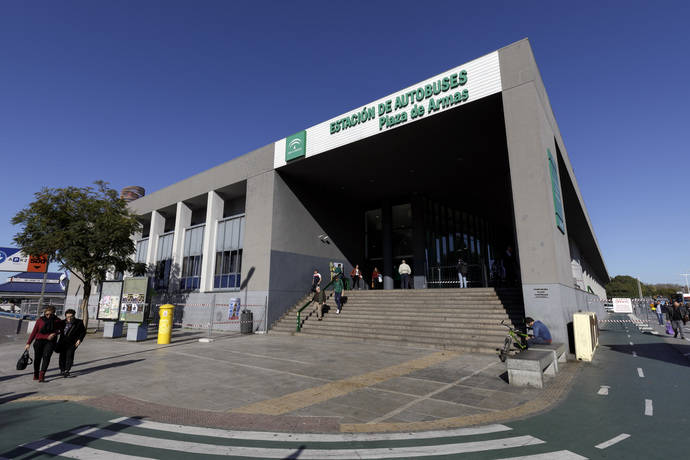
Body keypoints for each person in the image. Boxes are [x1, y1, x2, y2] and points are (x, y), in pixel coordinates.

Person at [25, 306, 64, 382]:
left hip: (50, 342)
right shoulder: (40, 320)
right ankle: (36, 374)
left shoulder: (57, 320)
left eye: (50, 314)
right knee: (37, 359)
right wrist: (28, 343)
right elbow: (34, 332)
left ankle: (42, 375)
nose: (48, 316)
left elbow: (61, 330)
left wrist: (55, 333)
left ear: (54, 313)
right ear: (44, 313)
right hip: (39, 341)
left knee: (46, 357)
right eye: (47, 314)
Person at [57, 309, 86, 377]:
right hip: (63, 342)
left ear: (74, 316)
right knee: (62, 356)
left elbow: (83, 332)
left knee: (69, 355)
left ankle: (67, 370)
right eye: (67, 317)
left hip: (73, 342)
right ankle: (62, 370)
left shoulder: (79, 322)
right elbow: (58, 330)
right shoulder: (62, 322)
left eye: (71, 316)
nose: (69, 318)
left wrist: (79, 340)